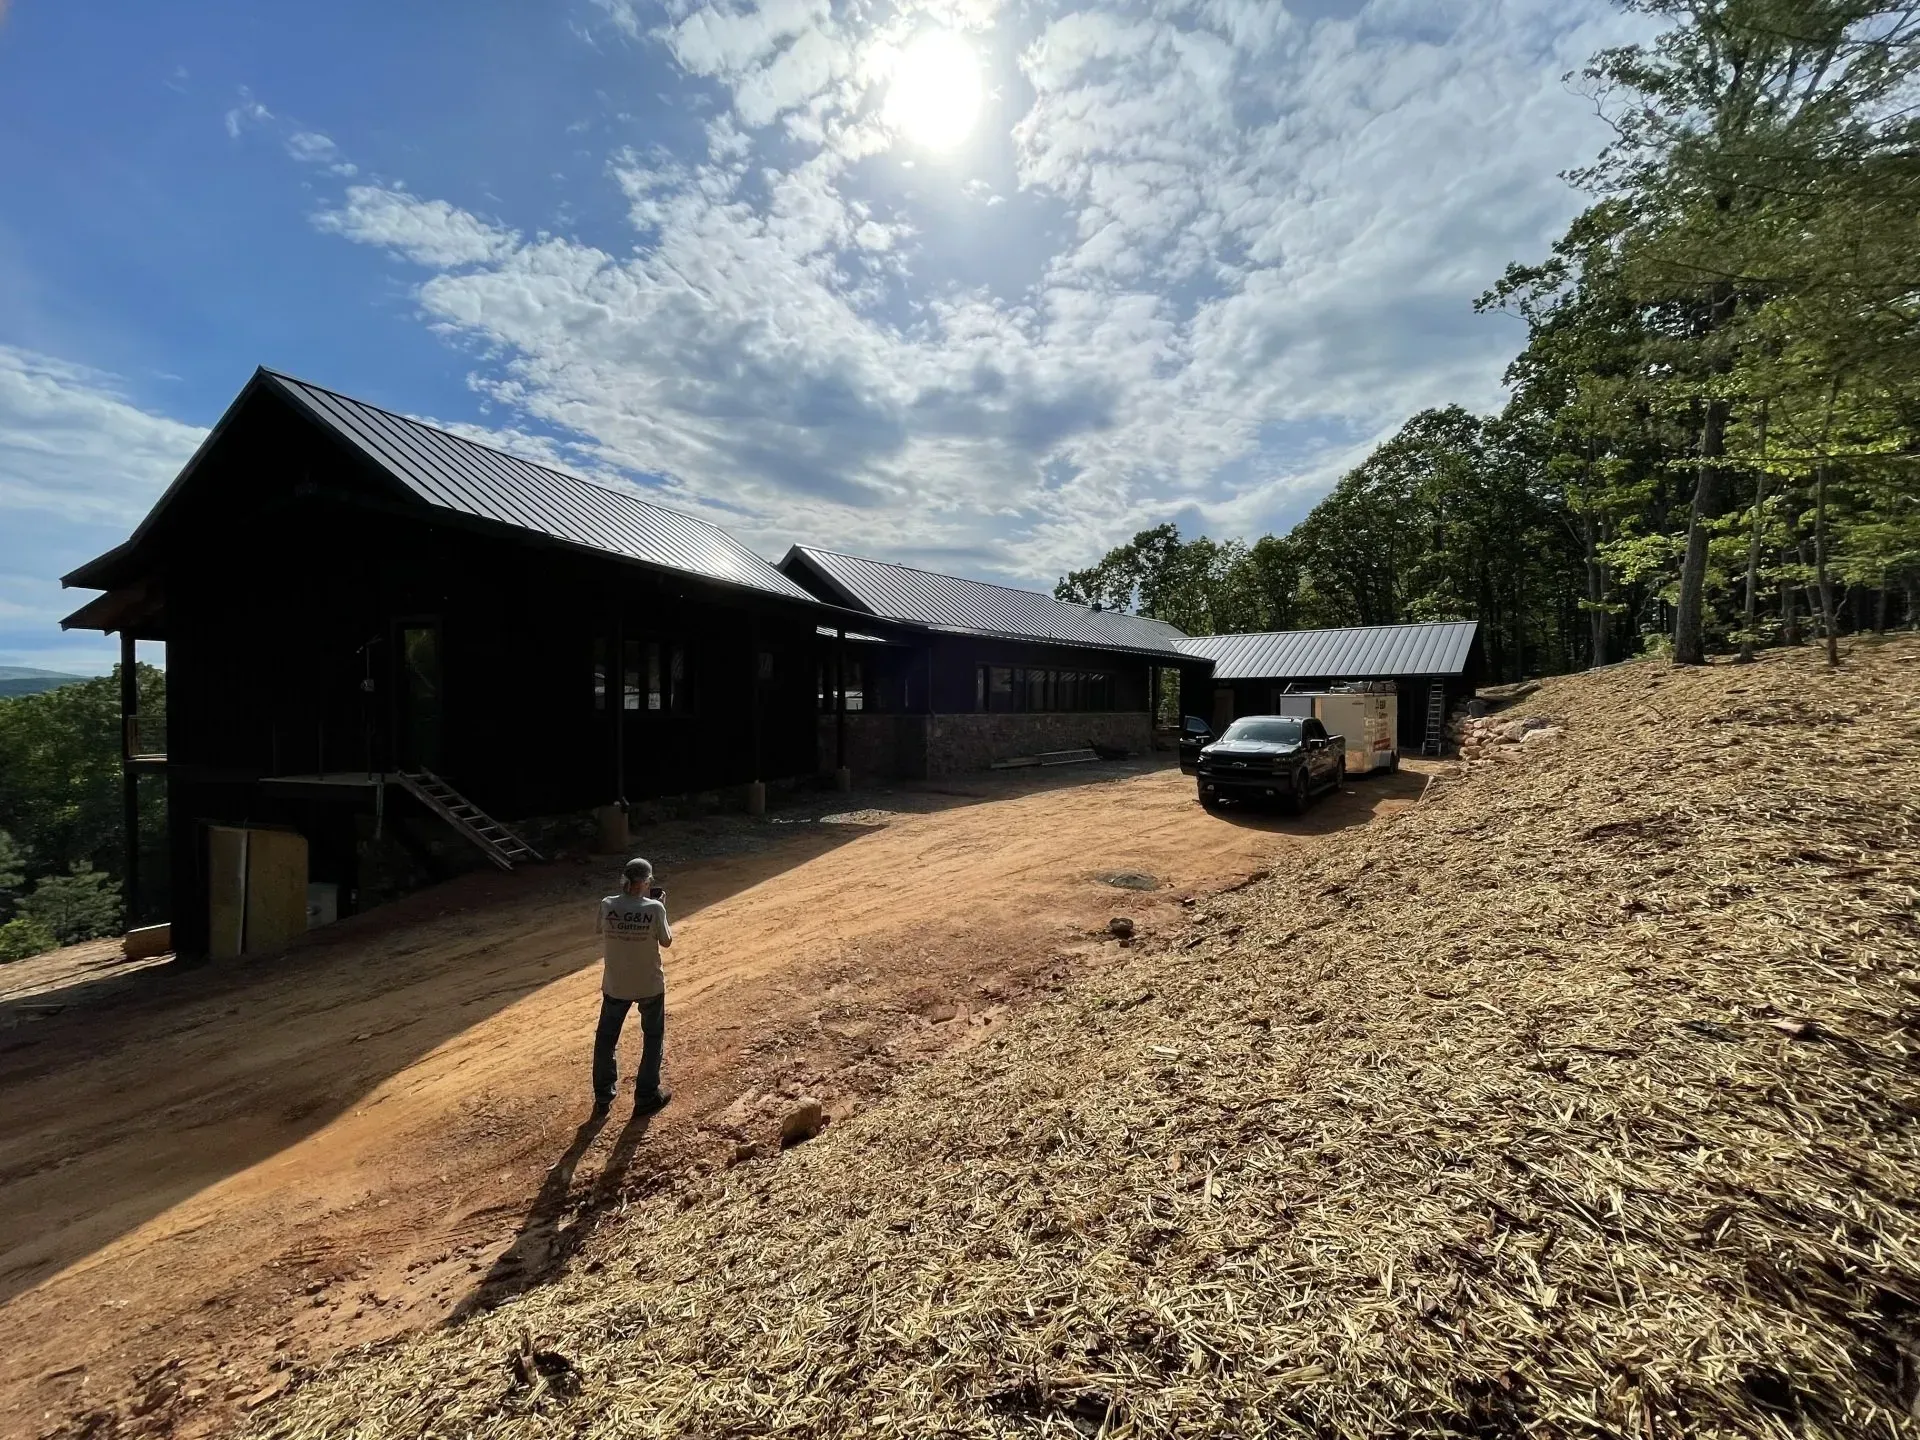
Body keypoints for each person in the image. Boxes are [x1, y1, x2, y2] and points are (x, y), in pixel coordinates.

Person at [592, 856, 673, 1116]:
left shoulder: (607, 904)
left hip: (616, 985)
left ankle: (603, 1095)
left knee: (606, 1039)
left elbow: (599, 929)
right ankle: (646, 1095)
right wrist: (659, 907)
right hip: (649, 984)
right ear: (647, 882)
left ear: (624, 880)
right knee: (652, 1038)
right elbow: (666, 941)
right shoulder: (654, 909)